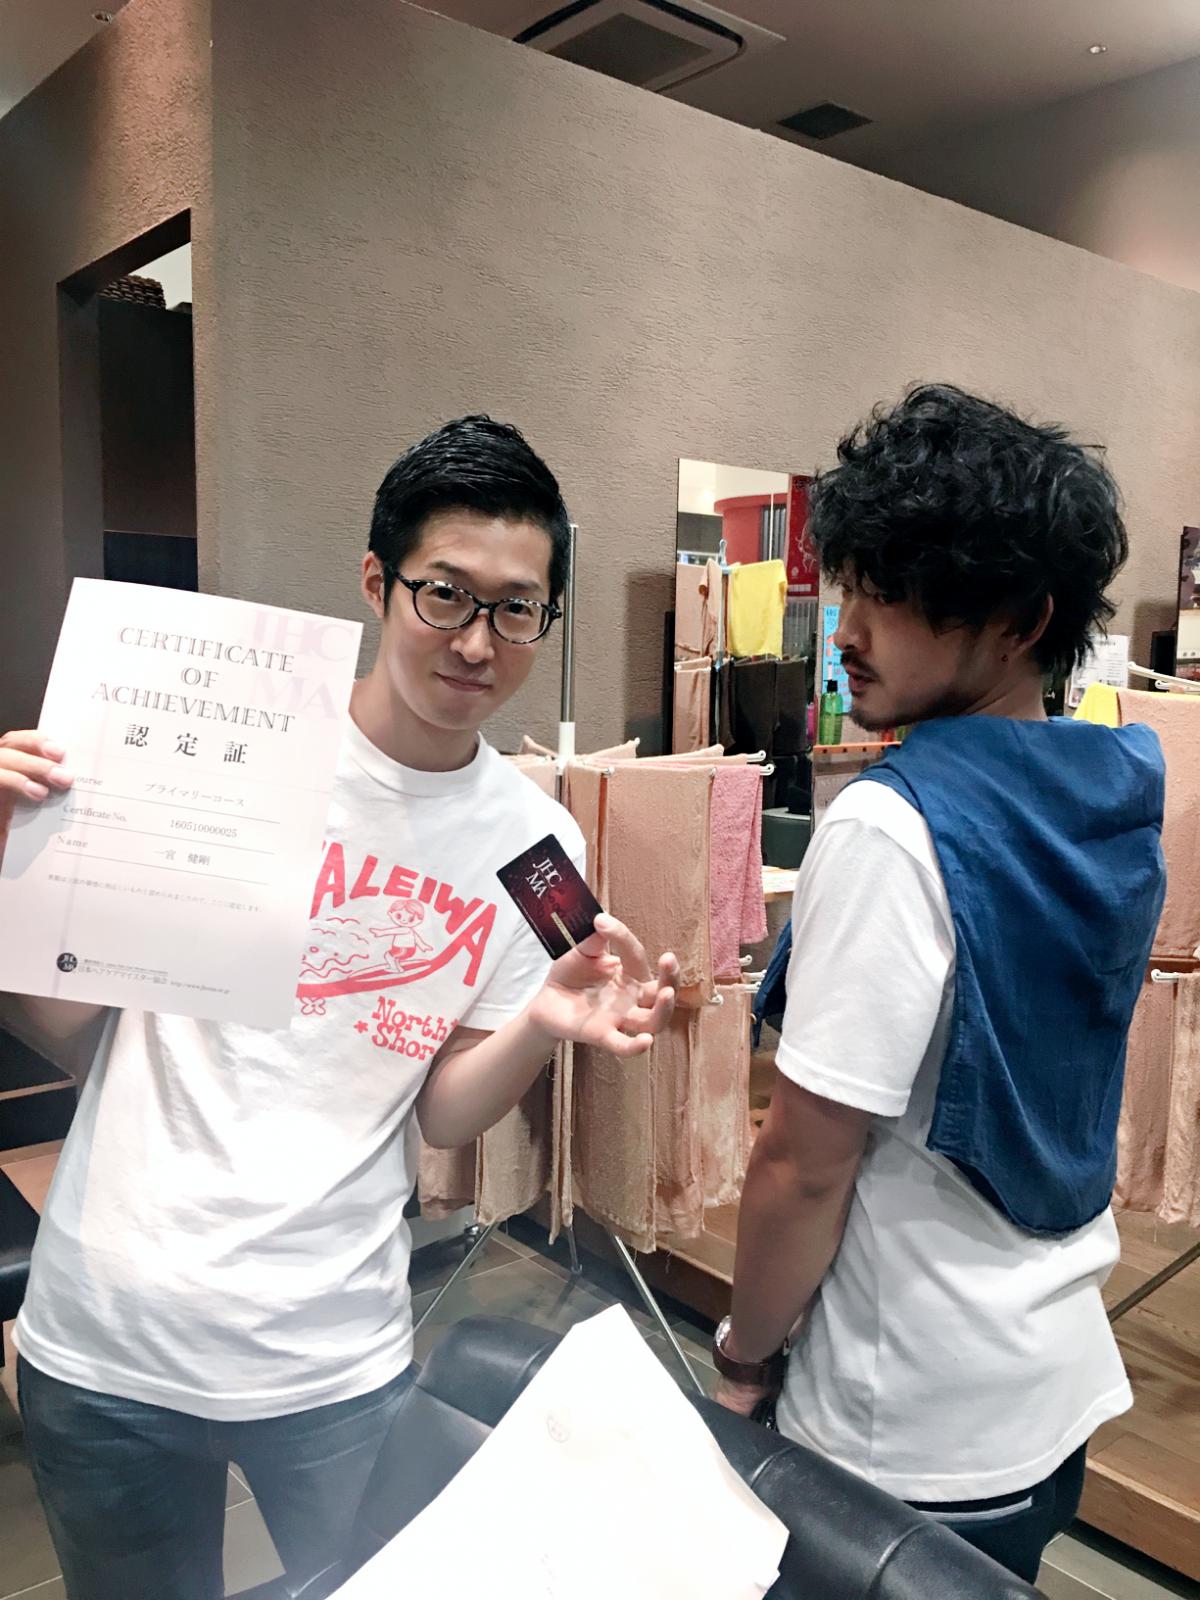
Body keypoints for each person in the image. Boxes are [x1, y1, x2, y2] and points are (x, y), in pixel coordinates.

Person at [0, 416, 679, 1600]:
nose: (478, 641)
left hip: (333, 1355)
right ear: (377, 581)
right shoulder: (216, 746)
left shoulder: (539, 849)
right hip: (110, 1338)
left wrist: (540, 1025)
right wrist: (16, 872)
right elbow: (60, 1027)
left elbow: (443, 1115)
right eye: (445, 594)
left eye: (517, 608)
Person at [712, 385, 1165, 1583]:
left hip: (902, 1420)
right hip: (1052, 1388)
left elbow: (804, 1163)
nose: (848, 628)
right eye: (850, 586)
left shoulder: (894, 824)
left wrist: (747, 1356)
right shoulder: (1112, 792)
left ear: (1018, 621)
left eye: (895, 597)